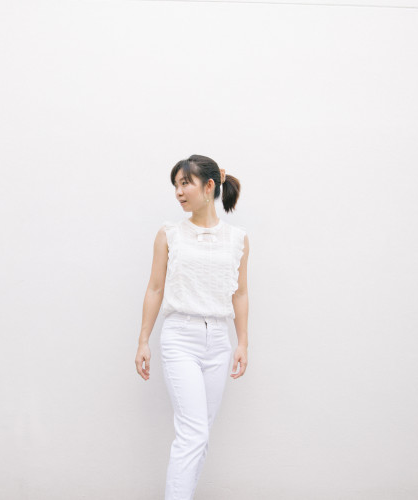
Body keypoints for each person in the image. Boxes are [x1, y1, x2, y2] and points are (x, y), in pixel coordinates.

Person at [135, 154, 249, 499]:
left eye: (186, 183)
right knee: (193, 433)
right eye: (176, 185)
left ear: (209, 186)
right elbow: (155, 288)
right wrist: (143, 340)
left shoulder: (238, 238)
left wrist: (242, 343)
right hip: (180, 337)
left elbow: (240, 293)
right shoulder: (170, 234)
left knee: (201, 435)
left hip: (219, 341)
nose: (179, 192)